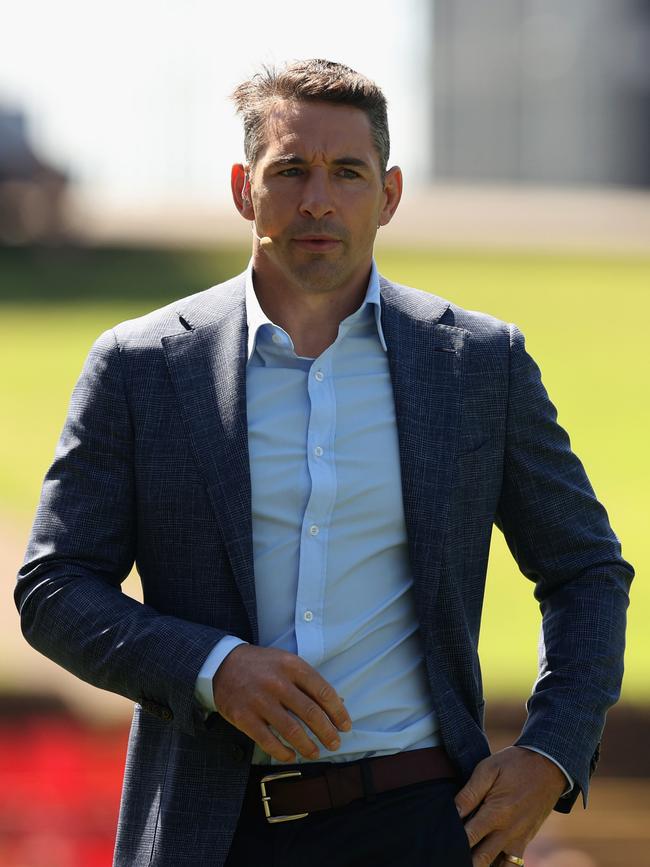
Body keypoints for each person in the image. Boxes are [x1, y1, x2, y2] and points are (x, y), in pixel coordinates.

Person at [15, 59, 633, 867]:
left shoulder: (479, 364)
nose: (317, 199)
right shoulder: (142, 366)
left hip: (422, 824)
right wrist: (213, 668)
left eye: (347, 172)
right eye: (290, 170)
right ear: (244, 188)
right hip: (212, 831)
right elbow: (53, 587)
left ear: (390, 194)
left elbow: (586, 569)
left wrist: (551, 753)